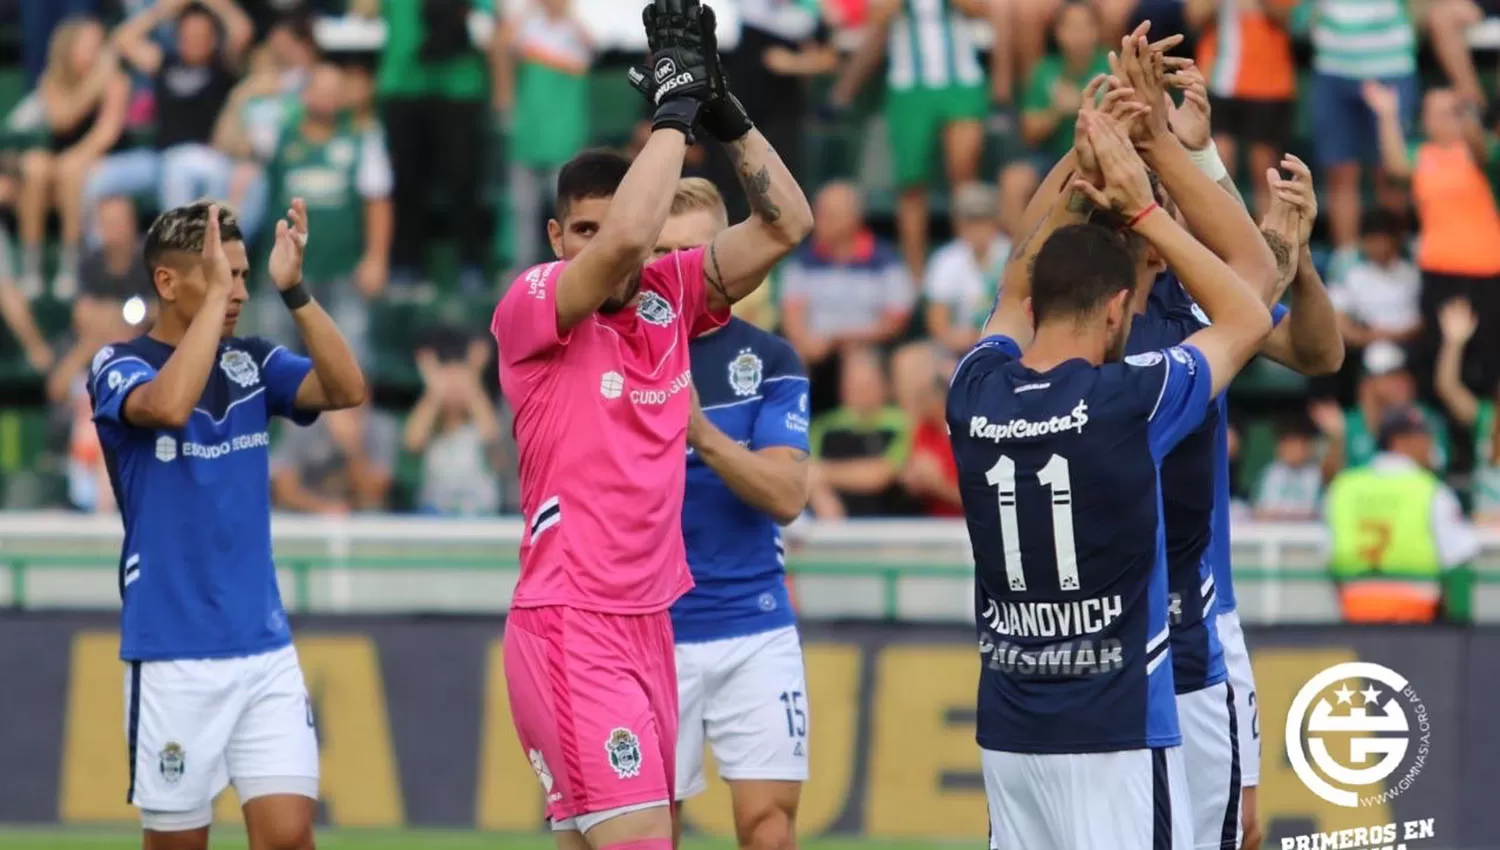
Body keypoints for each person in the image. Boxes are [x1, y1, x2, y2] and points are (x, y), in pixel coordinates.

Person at [489, 2, 813, 848]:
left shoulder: (671, 299)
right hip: (573, 621)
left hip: (651, 624)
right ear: (559, 238)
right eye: (584, 233)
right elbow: (631, 234)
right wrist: (671, 107)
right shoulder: (532, 306)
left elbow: (788, 225)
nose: (612, 247)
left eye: (613, 225)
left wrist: (723, 111)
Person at [952, 97, 1272, 849]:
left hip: (1010, 732)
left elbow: (1012, 278)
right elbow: (1250, 312)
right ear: (1116, 309)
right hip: (1118, 727)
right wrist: (1139, 203)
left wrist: (1080, 152)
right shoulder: (1129, 400)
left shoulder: (971, 393)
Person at [87, 198, 365, 849]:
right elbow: (168, 404)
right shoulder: (118, 364)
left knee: (291, 837)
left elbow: (346, 388)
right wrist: (213, 310)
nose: (240, 290)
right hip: (173, 650)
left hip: (263, 647)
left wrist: (294, 290)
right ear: (166, 282)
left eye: (243, 276)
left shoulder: (253, 362)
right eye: (223, 276)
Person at [651, 177, 813, 850]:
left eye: (692, 252)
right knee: (650, 831)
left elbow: (786, 495)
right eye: (660, 251)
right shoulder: (615, 351)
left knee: (768, 826)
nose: (674, 269)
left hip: (754, 626)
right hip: (648, 633)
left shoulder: (770, 359)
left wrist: (702, 435)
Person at [1325, 406, 1478, 623]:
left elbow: (1329, 558)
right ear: (1400, 441)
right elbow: (1459, 558)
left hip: (1356, 615)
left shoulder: (1343, 487)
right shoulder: (1430, 490)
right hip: (1416, 617)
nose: (1431, 445)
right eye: (1425, 437)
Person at [19, 15, 131, 298]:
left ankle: (70, 264)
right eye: (88, 44)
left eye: (98, 44)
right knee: (35, 168)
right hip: (62, 156)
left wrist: (76, 159)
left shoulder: (116, 80)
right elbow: (61, 120)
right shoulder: (52, 79)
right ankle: (31, 265)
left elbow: (106, 133)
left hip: (104, 158)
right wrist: (93, 84)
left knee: (70, 170)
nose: (95, 51)